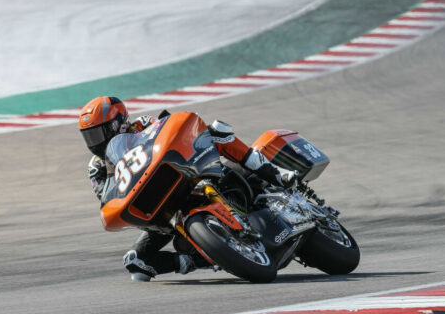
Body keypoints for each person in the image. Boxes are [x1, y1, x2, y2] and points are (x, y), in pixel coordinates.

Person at [79, 96, 293, 282]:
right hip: (158, 209)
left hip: (182, 174)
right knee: (136, 264)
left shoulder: (144, 124)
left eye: (99, 132)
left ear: (119, 123)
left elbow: (173, 131)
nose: (95, 141)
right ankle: (203, 257)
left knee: (214, 131)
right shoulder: (96, 167)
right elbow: (106, 196)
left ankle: (273, 172)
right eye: (90, 136)